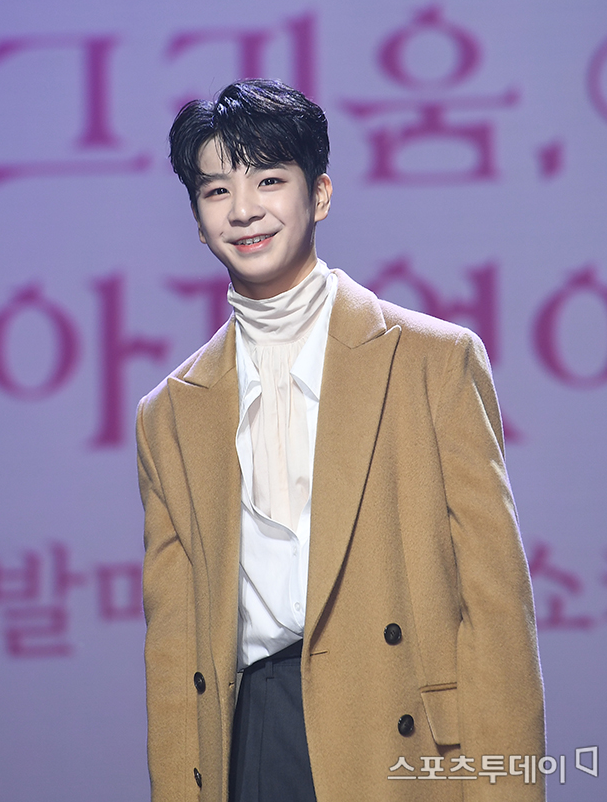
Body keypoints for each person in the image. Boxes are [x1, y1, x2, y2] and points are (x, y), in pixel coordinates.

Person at [136, 79, 545, 802]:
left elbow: (495, 607)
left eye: (269, 180)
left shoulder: (432, 360)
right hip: (253, 733)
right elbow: (174, 649)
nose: (244, 209)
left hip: (399, 731)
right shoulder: (168, 414)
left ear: (319, 194)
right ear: (198, 222)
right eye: (217, 190)